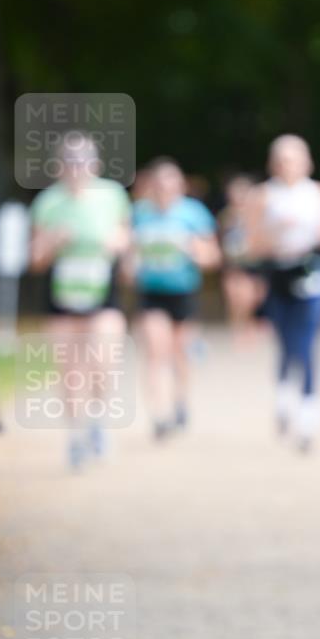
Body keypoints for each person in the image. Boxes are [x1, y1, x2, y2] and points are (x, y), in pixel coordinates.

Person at [29, 131, 131, 469]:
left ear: (95, 164)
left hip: (102, 292)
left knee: (103, 361)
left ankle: (98, 419)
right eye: (70, 161)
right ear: (59, 166)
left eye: (82, 160)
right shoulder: (47, 202)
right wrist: (54, 241)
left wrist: (115, 243)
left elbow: (125, 236)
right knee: (71, 371)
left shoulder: (112, 195)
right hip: (63, 295)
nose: (76, 167)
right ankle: (75, 436)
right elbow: (35, 259)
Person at [243, 135, 320, 452]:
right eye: (283, 159)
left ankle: (309, 415)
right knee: (287, 342)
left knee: (308, 339)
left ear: (307, 162)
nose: (289, 165)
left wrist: (317, 232)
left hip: (313, 271)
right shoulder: (262, 196)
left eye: (295, 158)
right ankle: (284, 396)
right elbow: (250, 244)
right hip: (279, 275)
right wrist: (278, 235)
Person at [131, 157, 221, 439]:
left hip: (184, 292)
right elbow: (127, 252)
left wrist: (194, 251)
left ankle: (180, 401)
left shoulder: (193, 213)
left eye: (171, 183)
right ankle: (158, 415)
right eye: (159, 183)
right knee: (156, 352)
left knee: (180, 353)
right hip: (151, 293)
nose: (164, 188)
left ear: (180, 185)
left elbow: (213, 256)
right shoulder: (138, 214)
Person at [218, 173, 268, 345]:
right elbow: (220, 239)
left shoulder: (258, 214)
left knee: (255, 297)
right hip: (234, 264)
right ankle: (238, 329)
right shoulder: (225, 216)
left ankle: (250, 325)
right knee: (237, 298)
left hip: (254, 262)